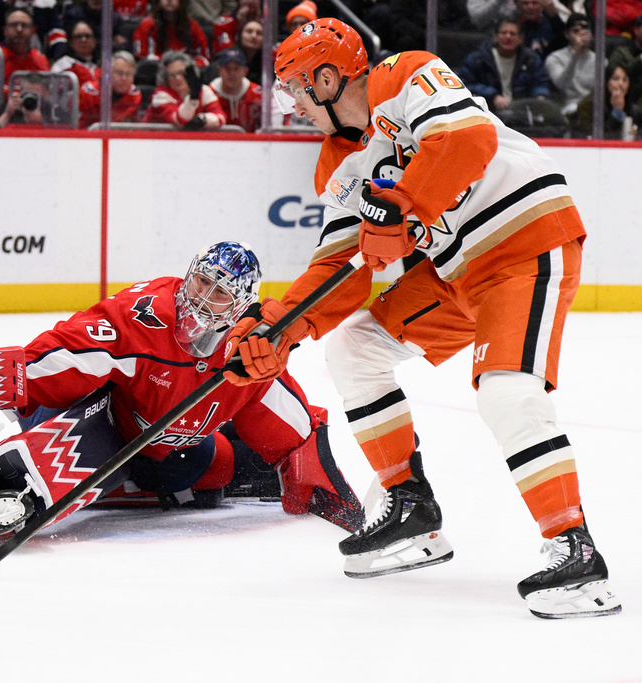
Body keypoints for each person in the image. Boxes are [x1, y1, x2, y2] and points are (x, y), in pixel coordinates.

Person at [228, 18, 620, 619]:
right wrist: (280, 326)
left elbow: (466, 140)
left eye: (295, 91)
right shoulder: (337, 162)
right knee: (354, 348)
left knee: (507, 393)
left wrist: (405, 204)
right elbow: (339, 266)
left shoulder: (405, 74)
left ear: (327, 79)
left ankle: (576, 551)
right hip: (456, 273)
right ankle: (409, 508)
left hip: (524, 243)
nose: (292, 107)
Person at [0, 242, 363, 541]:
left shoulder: (249, 353)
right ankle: (9, 488)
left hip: (167, 446)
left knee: (216, 469)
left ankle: (125, 483)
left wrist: (324, 488)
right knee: (73, 432)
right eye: (202, 282)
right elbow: (68, 351)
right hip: (98, 409)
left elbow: (295, 427)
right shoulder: (143, 317)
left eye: (220, 292)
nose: (203, 298)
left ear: (241, 306)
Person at [458, 19, 552, 114]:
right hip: (488, 110)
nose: (508, 37)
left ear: (521, 39)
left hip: (522, 111)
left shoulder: (531, 59)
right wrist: (493, 95)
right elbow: (465, 84)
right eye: (503, 33)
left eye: (512, 34)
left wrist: (540, 96)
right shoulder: (478, 58)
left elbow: (540, 83)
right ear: (496, 37)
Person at [143, 49, 226, 129]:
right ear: (166, 79)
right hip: (151, 137)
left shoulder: (204, 90)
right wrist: (193, 99)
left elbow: (221, 117)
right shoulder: (160, 96)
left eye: (181, 73)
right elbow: (179, 120)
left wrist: (203, 119)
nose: (177, 78)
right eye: (172, 75)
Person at [572, 63, 642, 140]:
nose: (621, 84)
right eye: (616, 79)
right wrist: (617, 112)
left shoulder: (634, 110)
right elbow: (599, 138)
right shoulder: (589, 105)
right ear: (606, 82)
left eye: (625, 80)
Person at [544, 14, 596, 116]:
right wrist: (576, 54)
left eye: (585, 31)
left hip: (591, 110)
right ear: (567, 35)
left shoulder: (599, 60)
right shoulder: (554, 58)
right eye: (576, 31)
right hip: (566, 110)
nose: (581, 35)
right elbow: (562, 86)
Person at [132, 0, 211, 67]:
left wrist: (185, 63)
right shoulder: (147, 26)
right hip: (156, 73)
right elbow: (143, 59)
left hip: (186, 72)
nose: (169, 0)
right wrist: (172, 61)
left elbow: (204, 59)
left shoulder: (192, 26)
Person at [78, 51, 143, 128]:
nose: (124, 78)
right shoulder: (89, 93)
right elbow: (78, 128)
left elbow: (136, 129)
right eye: (119, 73)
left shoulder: (135, 95)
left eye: (129, 74)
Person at [208, 47, 263, 132]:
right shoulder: (208, 94)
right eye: (227, 68)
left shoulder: (258, 94)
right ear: (219, 70)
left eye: (236, 68)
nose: (232, 73)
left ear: (245, 71)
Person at [51, 20, 101, 86]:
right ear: (71, 42)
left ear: (94, 40)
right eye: (78, 36)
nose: (83, 40)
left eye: (88, 36)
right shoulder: (62, 66)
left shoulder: (103, 65)